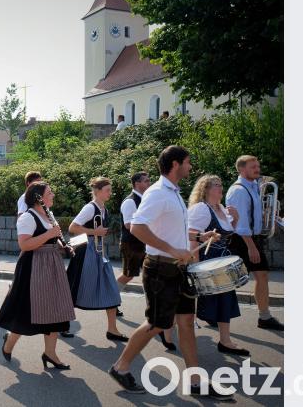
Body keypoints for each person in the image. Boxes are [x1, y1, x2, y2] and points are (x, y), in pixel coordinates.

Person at [109, 145, 230, 400]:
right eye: (187, 162)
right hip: (160, 268)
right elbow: (137, 228)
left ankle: (196, 381)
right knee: (156, 324)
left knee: (186, 322)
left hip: (177, 268)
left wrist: (198, 236)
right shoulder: (157, 193)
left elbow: (171, 229)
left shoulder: (174, 192)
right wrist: (173, 251)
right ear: (175, 164)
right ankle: (120, 367)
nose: (190, 166)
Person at [0, 181, 76, 369]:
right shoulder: (27, 217)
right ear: (38, 197)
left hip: (52, 265)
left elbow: (52, 239)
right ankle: (8, 343)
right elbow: (25, 245)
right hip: (34, 267)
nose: (53, 195)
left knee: (55, 310)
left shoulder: (49, 215)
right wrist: (49, 234)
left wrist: (63, 246)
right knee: (27, 311)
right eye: (50, 192)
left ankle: (50, 354)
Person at [188, 174, 249, 356]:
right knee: (190, 303)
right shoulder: (201, 209)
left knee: (225, 299)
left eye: (221, 184)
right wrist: (195, 268)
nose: (220, 187)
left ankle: (225, 341)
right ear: (205, 189)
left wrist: (236, 218)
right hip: (207, 262)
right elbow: (191, 236)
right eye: (215, 185)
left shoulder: (221, 208)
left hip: (221, 261)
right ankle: (167, 329)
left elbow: (228, 233)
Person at [225, 155, 283, 331]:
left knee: (262, 275)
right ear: (242, 169)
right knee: (230, 282)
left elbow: (254, 215)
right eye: (253, 167)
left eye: (258, 166)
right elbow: (241, 224)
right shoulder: (239, 191)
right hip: (242, 240)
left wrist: (272, 218)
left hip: (252, 238)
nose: (258, 169)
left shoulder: (254, 187)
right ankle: (211, 311)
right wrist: (251, 247)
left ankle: (264, 317)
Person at [68, 177, 127, 342]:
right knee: (76, 289)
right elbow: (73, 227)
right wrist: (96, 232)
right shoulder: (89, 208)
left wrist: (98, 233)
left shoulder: (104, 209)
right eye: (107, 190)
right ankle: (61, 323)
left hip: (100, 253)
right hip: (85, 253)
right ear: (98, 191)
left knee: (111, 289)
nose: (110, 193)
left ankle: (112, 329)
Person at [116, 172, 151, 320]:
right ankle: (111, 301)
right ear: (137, 183)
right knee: (128, 275)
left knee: (150, 276)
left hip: (145, 244)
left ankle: (152, 309)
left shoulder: (145, 199)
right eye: (146, 181)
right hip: (131, 244)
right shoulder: (130, 201)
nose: (149, 183)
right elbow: (129, 225)